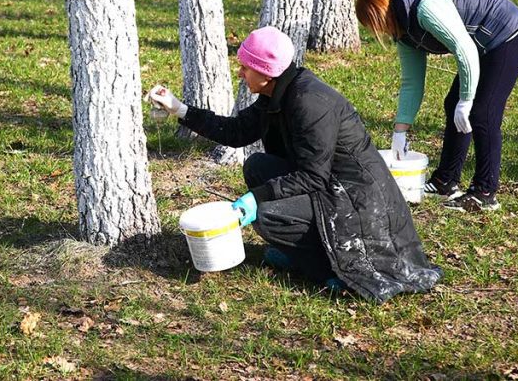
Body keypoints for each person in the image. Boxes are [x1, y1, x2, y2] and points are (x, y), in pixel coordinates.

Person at [149, 27, 441, 303]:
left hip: (357, 201)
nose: (240, 73)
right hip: (330, 185)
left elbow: (314, 177)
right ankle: (302, 248)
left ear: (266, 73)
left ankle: (329, 269)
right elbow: (237, 132)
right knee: (257, 166)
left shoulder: (310, 103)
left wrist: (257, 198)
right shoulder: (276, 93)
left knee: (267, 215)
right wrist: (180, 109)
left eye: (245, 68)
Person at [355, 0, 518, 212]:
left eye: (375, 25)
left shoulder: (427, 8)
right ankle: (445, 181)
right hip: (479, 44)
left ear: (380, 16)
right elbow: (411, 83)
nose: (379, 32)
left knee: (482, 112)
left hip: (507, 33)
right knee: (452, 104)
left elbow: (464, 49)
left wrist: (466, 100)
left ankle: (485, 192)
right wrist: (400, 131)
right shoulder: (404, 30)